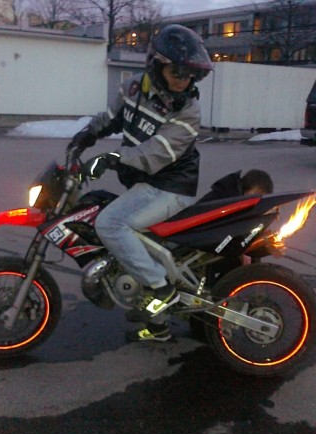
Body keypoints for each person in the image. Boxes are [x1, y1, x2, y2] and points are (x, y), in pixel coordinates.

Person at [67, 24, 213, 342]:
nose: (184, 80)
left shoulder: (188, 111)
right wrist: (87, 135)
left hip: (170, 187)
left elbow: (153, 154)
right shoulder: (134, 87)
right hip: (144, 184)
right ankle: (158, 327)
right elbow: (111, 117)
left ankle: (162, 289)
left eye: (190, 75)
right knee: (118, 229)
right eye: (177, 72)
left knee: (111, 224)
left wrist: (111, 159)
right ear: (156, 66)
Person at [198, 169, 274, 203]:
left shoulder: (230, 193)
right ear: (247, 186)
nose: (258, 198)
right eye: (257, 193)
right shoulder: (228, 199)